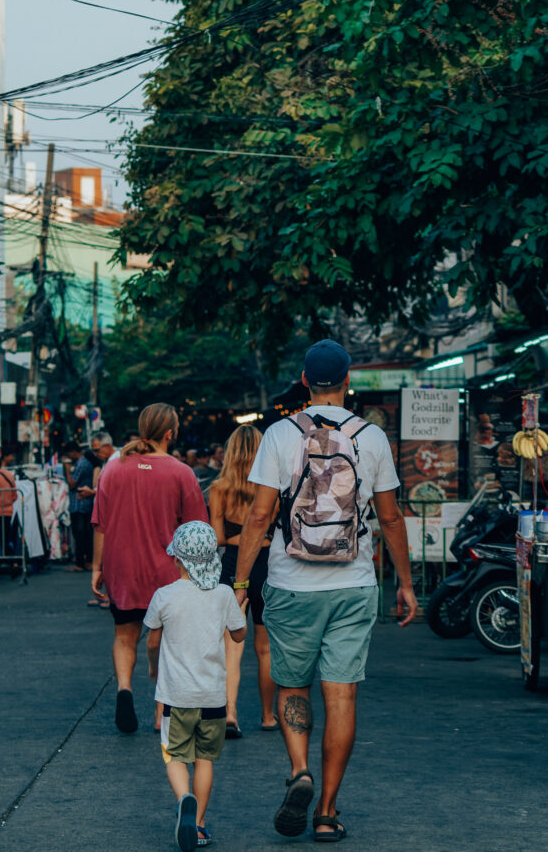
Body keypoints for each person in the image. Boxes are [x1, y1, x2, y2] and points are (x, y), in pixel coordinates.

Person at [234, 340, 418, 841]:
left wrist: (241, 583)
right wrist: (404, 581)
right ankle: (327, 813)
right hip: (354, 584)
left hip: (291, 583)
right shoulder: (372, 438)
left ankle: (300, 772)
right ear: (347, 379)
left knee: (293, 685)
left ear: (303, 378)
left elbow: (258, 515)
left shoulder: (279, 435)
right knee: (342, 695)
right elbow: (391, 517)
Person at [91, 403, 208, 734]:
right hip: (166, 570)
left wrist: (97, 568)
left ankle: (124, 689)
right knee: (167, 641)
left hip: (121, 565)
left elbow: (99, 523)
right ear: (170, 433)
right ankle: (161, 713)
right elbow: (197, 529)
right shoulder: (182, 472)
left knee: (124, 634)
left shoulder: (113, 469)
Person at [145, 521, 247, 851]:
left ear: (177, 559)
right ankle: (200, 824)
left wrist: (153, 668)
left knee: (174, 755)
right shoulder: (222, 595)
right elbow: (239, 634)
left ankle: (183, 798)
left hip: (176, 695)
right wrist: (238, 611)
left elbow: (151, 641)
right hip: (214, 697)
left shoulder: (164, 596)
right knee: (205, 760)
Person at [209, 425, 277, 736]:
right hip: (265, 565)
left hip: (232, 567)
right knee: (265, 649)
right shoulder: (271, 486)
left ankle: (230, 712)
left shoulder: (218, 488)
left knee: (230, 647)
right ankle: (267, 716)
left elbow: (218, 537)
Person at [63, 440, 95, 572]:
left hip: (79, 504)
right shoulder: (83, 463)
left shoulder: (81, 464)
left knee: (80, 534)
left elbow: (72, 484)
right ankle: (86, 561)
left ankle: (81, 562)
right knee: (85, 534)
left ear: (73, 452)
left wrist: (66, 469)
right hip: (82, 504)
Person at [0, 449, 18, 565]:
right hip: (8, 512)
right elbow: (15, 496)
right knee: (5, 539)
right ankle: (12, 562)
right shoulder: (9, 475)